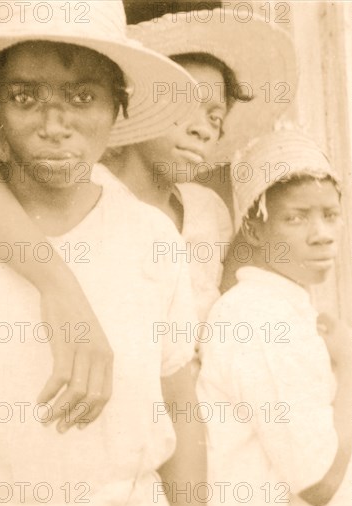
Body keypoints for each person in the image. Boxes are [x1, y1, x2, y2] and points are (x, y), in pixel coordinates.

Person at [0, 2, 208, 506]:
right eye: (24, 97)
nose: (54, 125)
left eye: (82, 97)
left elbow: (181, 408)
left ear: (120, 109)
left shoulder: (150, 238)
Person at [197, 130, 352, 506]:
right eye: (296, 217)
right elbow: (318, 483)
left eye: (330, 214)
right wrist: (346, 364)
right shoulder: (260, 319)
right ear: (253, 229)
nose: (321, 233)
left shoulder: (282, 309)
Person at [102, 6, 297, 322]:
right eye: (184, 102)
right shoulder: (94, 197)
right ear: (135, 104)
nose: (202, 129)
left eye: (215, 117)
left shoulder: (208, 210)